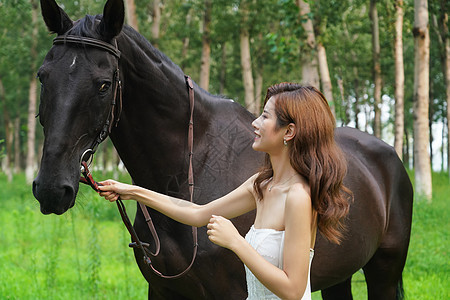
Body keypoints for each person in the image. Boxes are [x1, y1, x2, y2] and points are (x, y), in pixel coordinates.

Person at [98, 83, 350, 300]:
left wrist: (236, 242)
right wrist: (132, 191)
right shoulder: (261, 185)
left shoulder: (297, 197)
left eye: (265, 116)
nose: (255, 123)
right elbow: (198, 213)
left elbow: (293, 290)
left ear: (289, 131)